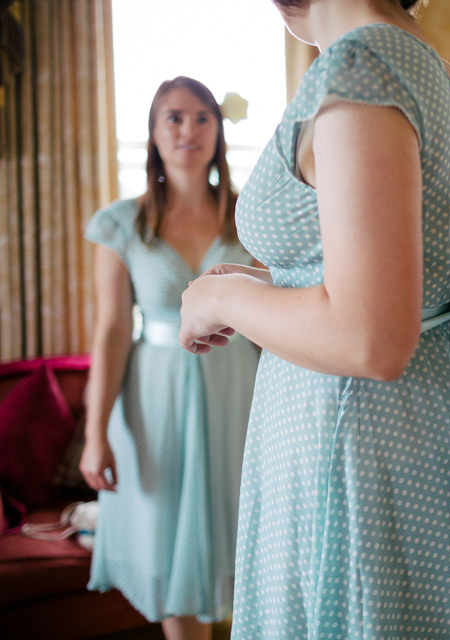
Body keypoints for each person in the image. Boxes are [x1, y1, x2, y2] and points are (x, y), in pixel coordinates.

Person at [177, 1, 450, 637]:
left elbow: (369, 338)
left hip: (353, 442)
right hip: (427, 427)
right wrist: (257, 282)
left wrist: (219, 300)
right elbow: (387, 276)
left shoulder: (361, 66)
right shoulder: (433, 69)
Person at [81, 76, 259, 640]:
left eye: (202, 117)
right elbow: (111, 330)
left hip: (239, 388)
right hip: (153, 395)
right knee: (166, 534)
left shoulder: (248, 216)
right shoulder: (122, 223)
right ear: (154, 134)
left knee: (243, 525)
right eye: (174, 118)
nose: (188, 130)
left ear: (218, 131)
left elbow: (280, 311)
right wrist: (94, 433)